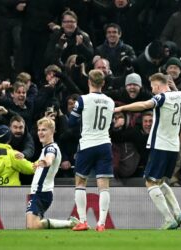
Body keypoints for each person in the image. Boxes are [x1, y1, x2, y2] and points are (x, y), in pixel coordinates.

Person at [114, 72, 181, 230]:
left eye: (153, 87)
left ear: (159, 85)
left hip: (160, 145)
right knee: (160, 181)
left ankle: (169, 219)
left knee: (150, 182)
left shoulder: (162, 98)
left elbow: (144, 105)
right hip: (174, 147)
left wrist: (121, 108)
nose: (152, 91)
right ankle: (178, 213)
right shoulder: (180, 95)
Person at [68, 69, 115, 232]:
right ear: (103, 83)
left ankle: (83, 221)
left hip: (87, 144)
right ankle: (101, 223)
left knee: (80, 182)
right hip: (104, 144)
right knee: (104, 186)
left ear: (89, 82)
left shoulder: (82, 100)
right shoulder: (110, 101)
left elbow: (71, 123)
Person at [26, 117, 79, 229]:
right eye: (39, 130)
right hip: (39, 192)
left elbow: (50, 159)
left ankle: (71, 223)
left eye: (44, 130)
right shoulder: (47, 148)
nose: (40, 132)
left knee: (33, 226)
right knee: (32, 226)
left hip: (41, 192)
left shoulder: (51, 148)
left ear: (52, 131)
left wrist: (46, 161)